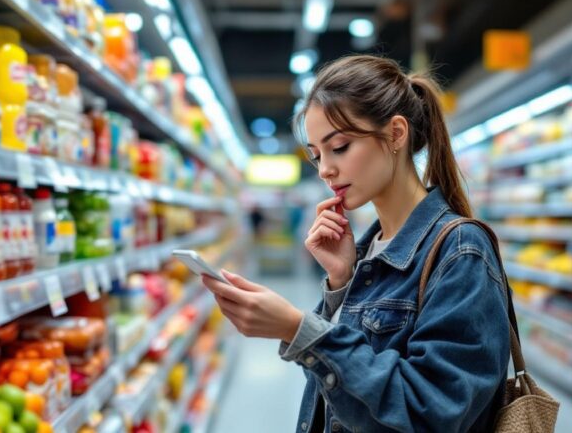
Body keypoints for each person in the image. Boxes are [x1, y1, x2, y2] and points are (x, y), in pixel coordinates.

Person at [201, 55, 509, 433]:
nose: (325, 169)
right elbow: (346, 397)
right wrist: (341, 281)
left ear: (396, 134)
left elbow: (431, 412)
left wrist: (299, 329)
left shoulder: (461, 250)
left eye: (340, 146)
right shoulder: (369, 250)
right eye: (316, 155)